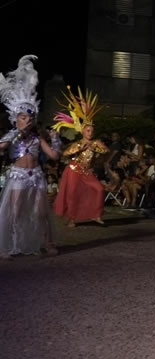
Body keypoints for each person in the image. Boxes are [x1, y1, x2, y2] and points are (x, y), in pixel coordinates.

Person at [0, 56, 62, 258]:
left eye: (30, 118)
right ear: (16, 119)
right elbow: (2, 147)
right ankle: (10, 246)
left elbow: (53, 156)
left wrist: (55, 140)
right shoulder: (11, 136)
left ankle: (46, 243)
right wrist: (18, 133)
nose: (27, 121)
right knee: (15, 211)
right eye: (23, 118)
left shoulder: (37, 138)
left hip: (36, 175)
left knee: (41, 212)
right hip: (18, 175)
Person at [53, 87, 108, 227]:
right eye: (88, 130)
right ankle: (72, 219)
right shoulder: (77, 143)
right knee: (72, 193)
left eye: (92, 131)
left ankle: (96, 215)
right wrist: (79, 148)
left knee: (99, 189)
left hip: (87, 171)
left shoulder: (96, 142)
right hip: (74, 169)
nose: (90, 133)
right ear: (83, 131)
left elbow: (106, 151)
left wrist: (94, 147)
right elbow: (65, 153)